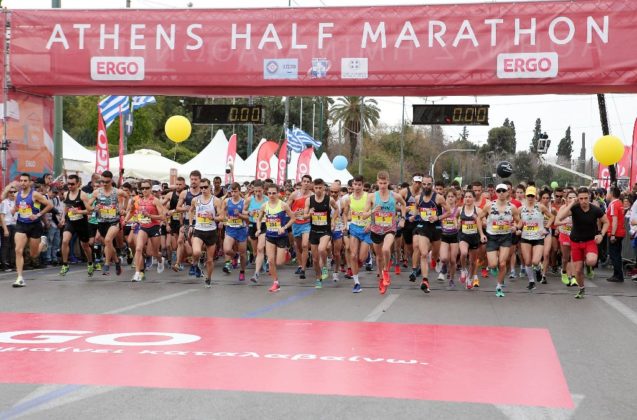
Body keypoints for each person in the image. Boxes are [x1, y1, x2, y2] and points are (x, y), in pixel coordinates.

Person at [556, 186, 609, 299]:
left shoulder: (595, 209)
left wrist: (601, 234)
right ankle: (581, 289)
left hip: (590, 241)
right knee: (578, 270)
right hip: (575, 242)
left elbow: (606, 222)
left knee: (591, 260)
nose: (583, 201)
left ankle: (589, 266)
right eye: (581, 199)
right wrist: (571, 203)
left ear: (589, 197)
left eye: (585, 198)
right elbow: (560, 217)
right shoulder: (574, 208)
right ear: (578, 199)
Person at [365, 171, 407, 294]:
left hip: (390, 228)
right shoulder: (371, 196)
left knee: (386, 249)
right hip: (376, 229)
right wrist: (373, 211)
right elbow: (364, 215)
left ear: (388, 182)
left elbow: (404, 205)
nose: (383, 185)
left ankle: (386, 271)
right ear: (377, 182)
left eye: (385, 183)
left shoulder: (395, 196)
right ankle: (381, 279)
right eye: (380, 183)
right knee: (378, 257)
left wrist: (403, 218)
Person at [478, 183, 520, 298]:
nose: (501, 193)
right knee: (492, 264)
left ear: (507, 193)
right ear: (496, 193)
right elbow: (479, 218)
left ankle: (499, 286)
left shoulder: (512, 207)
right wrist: (481, 234)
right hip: (492, 237)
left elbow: (519, 221)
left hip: (505, 237)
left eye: (503, 191)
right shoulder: (489, 206)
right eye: (499, 191)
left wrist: (516, 227)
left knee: (502, 263)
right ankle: (493, 268)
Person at [12, 173, 53, 288]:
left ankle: (43, 242)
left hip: (34, 226)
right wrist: (14, 210)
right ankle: (20, 278)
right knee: (18, 250)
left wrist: (38, 215)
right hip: (21, 224)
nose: (23, 183)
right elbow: (17, 207)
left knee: (33, 255)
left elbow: (49, 205)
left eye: (25, 181)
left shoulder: (35, 194)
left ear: (30, 182)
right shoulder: (17, 195)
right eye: (21, 181)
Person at [412, 175, 449, 293]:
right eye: (424, 184)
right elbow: (417, 208)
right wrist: (414, 215)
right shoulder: (418, 198)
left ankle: (436, 260)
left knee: (434, 255)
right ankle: (425, 281)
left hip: (436, 228)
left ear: (432, 185)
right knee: (423, 254)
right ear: (421, 185)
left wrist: (438, 217)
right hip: (424, 228)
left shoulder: (438, 198)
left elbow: (449, 212)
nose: (426, 186)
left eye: (428, 184)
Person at [256, 183, 295, 292]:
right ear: (267, 193)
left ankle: (287, 252)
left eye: (274, 193)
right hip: (270, 236)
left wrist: (284, 227)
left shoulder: (283, 205)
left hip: (281, 236)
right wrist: (258, 229)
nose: (271, 195)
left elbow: (293, 218)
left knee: (280, 262)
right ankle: (275, 283)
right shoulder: (264, 206)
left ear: (278, 193)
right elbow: (259, 219)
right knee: (271, 260)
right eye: (269, 193)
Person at [89, 171, 129, 276]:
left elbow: (127, 196)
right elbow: (88, 205)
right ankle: (117, 261)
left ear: (111, 181)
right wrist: (94, 208)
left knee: (107, 240)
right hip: (102, 222)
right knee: (108, 244)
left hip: (114, 221)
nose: (104, 184)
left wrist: (124, 209)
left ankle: (106, 265)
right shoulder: (97, 192)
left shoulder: (117, 191)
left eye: (107, 182)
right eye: (102, 181)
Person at [129, 180, 167, 282]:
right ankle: (137, 273)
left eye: (147, 188)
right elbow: (133, 212)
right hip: (143, 227)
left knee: (154, 252)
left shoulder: (155, 200)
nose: (144, 190)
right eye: (142, 188)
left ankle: (160, 260)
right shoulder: (139, 201)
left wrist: (150, 216)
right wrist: (132, 219)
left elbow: (162, 216)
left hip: (154, 227)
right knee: (138, 249)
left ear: (150, 189)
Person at [518, 186, 554, 291]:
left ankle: (538, 269)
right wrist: (517, 228)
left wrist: (546, 228)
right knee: (527, 262)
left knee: (535, 261)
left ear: (535, 196)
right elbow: (518, 222)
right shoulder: (521, 209)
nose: (530, 197)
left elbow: (552, 217)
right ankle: (531, 282)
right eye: (528, 195)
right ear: (526, 196)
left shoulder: (540, 207)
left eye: (532, 196)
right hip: (525, 237)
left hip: (538, 237)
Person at [189, 178, 223, 287]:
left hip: (211, 231)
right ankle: (195, 263)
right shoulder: (195, 200)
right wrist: (191, 225)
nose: (203, 189)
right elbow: (191, 211)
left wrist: (213, 217)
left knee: (209, 260)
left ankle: (208, 278)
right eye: (201, 187)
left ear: (210, 187)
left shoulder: (216, 200)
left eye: (205, 187)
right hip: (199, 230)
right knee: (196, 252)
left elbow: (222, 217)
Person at [304, 178, 338, 288]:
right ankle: (318, 278)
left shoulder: (329, 199)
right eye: (316, 188)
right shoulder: (309, 200)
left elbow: (337, 209)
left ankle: (324, 266)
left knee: (322, 249)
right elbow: (304, 216)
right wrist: (309, 214)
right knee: (314, 260)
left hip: (325, 230)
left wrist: (333, 220)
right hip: (314, 230)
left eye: (320, 188)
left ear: (324, 188)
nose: (318, 190)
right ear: (313, 188)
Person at [59, 175, 95, 277]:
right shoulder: (66, 194)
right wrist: (63, 218)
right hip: (70, 222)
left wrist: (78, 211)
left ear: (78, 184)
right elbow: (66, 206)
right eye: (68, 184)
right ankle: (65, 264)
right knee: (65, 241)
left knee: (85, 246)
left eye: (72, 184)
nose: (70, 186)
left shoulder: (83, 195)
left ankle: (90, 263)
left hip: (81, 223)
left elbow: (89, 211)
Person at [342, 175, 372, 293]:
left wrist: (370, 224)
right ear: (352, 185)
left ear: (363, 185)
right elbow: (345, 213)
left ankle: (364, 258)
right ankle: (356, 283)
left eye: (359, 185)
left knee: (361, 258)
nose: (357, 187)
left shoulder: (369, 197)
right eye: (355, 184)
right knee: (353, 255)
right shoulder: (348, 199)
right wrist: (345, 224)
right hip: (354, 227)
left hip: (366, 229)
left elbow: (375, 212)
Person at [221, 182, 249, 282]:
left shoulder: (244, 202)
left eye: (235, 191)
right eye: (231, 192)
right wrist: (223, 219)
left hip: (241, 229)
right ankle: (234, 256)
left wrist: (240, 215)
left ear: (239, 191)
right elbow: (222, 213)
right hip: (230, 229)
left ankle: (242, 271)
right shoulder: (226, 201)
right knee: (227, 250)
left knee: (243, 254)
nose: (233, 194)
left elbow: (248, 217)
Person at [288, 175, 313, 279]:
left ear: (310, 183)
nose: (306, 183)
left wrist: (309, 213)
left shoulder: (312, 196)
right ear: (301, 182)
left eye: (308, 181)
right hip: (296, 223)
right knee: (298, 246)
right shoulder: (294, 194)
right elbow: (286, 207)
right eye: (304, 181)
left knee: (305, 245)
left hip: (307, 223)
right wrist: (293, 213)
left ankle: (303, 269)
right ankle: (300, 265)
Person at [457, 190, 483, 289]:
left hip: (474, 237)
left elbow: (484, 222)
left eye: (470, 197)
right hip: (463, 236)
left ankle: (470, 278)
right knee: (463, 253)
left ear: (474, 198)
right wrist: (457, 223)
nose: (467, 199)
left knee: (473, 262)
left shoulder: (478, 211)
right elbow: (454, 217)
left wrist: (479, 221)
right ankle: (463, 270)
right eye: (466, 197)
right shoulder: (460, 209)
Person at [554, 190, 578, 286]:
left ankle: (573, 277)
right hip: (564, 235)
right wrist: (564, 222)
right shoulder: (563, 208)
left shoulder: (579, 208)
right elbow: (556, 222)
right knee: (565, 258)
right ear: (566, 199)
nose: (572, 199)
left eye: (574, 197)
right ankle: (564, 271)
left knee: (573, 256)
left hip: (575, 236)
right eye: (570, 198)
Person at [246, 180, 268, 283]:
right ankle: (261, 261)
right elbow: (243, 210)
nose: (258, 193)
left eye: (259, 191)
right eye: (256, 191)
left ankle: (256, 273)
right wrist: (249, 213)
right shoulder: (249, 199)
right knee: (255, 251)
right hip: (253, 224)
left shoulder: (267, 199)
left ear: (263, 190)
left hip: (264, 225)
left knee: (260, 248)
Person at [439, 189, 459, 288]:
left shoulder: (458, 209)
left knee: (453, 260)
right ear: (445, 198)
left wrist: (458, 224)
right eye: (448, 196)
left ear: (455, 198)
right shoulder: (442, 209)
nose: (450, 198)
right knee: (444, 258)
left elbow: (459, 220)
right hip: (444, 235)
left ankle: (451, 279)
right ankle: (444, 265)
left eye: (452, 196)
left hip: (454, 236)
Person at [606, 186, 625, 282]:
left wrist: (613, 234)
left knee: (614, 255)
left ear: (612, 194)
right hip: (620, 232)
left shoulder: (613, 204)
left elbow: (615, 220)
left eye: (608, 192)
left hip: (615, 233)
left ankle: (618, 275)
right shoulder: (619, 203)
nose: (606, 194)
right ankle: (617, 274)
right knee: (617, 254)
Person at [0, 183, 17, 271]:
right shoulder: (4, 202)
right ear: (7, 193)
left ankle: (11, 263)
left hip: (15, 225)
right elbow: (1, 216)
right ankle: (4, 264)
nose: (12, 193)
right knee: (5, 245)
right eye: (11, 192)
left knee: (13, 245)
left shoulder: (16, 202)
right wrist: (5, 229)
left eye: (14, 192)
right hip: (6, 225)